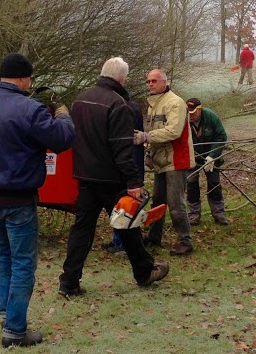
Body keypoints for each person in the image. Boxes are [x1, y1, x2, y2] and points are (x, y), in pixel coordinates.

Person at [0, 52, 75, 348]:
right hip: (18, 197)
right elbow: (62, 139)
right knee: (24, 261)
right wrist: (63, 113)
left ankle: (7, 312)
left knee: (4, 254)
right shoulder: (31, 109)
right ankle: (15, 330)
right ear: (23, 78)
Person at [58, 57, 169, 296]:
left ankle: (69, 281)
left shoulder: (80, 100)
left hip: (85, 176)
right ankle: (144, 271)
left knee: (82, 230)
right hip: (111, 178)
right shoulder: (118, 104)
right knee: (128, 226)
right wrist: (133, 182)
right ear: (121, 78)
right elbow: (122, 148)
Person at [136, 68, 195, 255]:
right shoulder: (154, 103)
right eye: (148, 81)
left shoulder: (175, 103)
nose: (150, 84)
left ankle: (185, 241)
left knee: (175, 203)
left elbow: (173, 132)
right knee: (158, 201)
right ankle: (154, 236)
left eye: (154, 81)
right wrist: (149, 153)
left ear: (164, 82)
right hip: (161, 160)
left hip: (176, 160)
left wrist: (146, 137)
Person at [105, 96, 146, 253]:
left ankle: (125, 244)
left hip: (130, 166)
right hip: (129, 164)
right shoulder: (129, 107)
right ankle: (118, 240)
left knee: (127, 206)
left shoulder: (126, 109)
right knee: (120, 205)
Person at [184, 98, 229, 225]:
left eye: (192, 113)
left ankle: (219, 214)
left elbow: (221, 136)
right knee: (191, 184)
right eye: (188, 113)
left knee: (214, 183)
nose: (190, 116)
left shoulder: (210, 116)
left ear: (199, 110)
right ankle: (193, 215)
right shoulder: (183, 119)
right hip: (193, 157)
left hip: (211, 157)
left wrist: (212, 156)